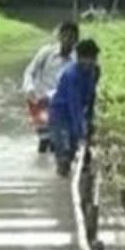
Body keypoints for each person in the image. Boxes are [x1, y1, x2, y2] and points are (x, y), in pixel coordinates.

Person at [21, 22, 80, 153]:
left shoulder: (76, 60)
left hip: (63, 104)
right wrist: (29, 89)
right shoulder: (46, 52)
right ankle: (43, 166)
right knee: (44, 140)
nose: (67, 40)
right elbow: (30, 72)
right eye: (65, 36)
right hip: (42, 101)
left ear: (76, 40)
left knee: (57, 142)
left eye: (71, 37)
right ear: (59, 36)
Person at [48, 39, 100, 177]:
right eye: (87, 59)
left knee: (73, 152)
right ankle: (62, 178)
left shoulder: (94, 71)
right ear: (79, 58)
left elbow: (91, 96)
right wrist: (81, 131)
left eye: (93, 59)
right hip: (60, 115)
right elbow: (74, 104)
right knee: (65, 155)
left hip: (76, 112)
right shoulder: (72, 75)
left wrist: (90, 120)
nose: (90, 63)